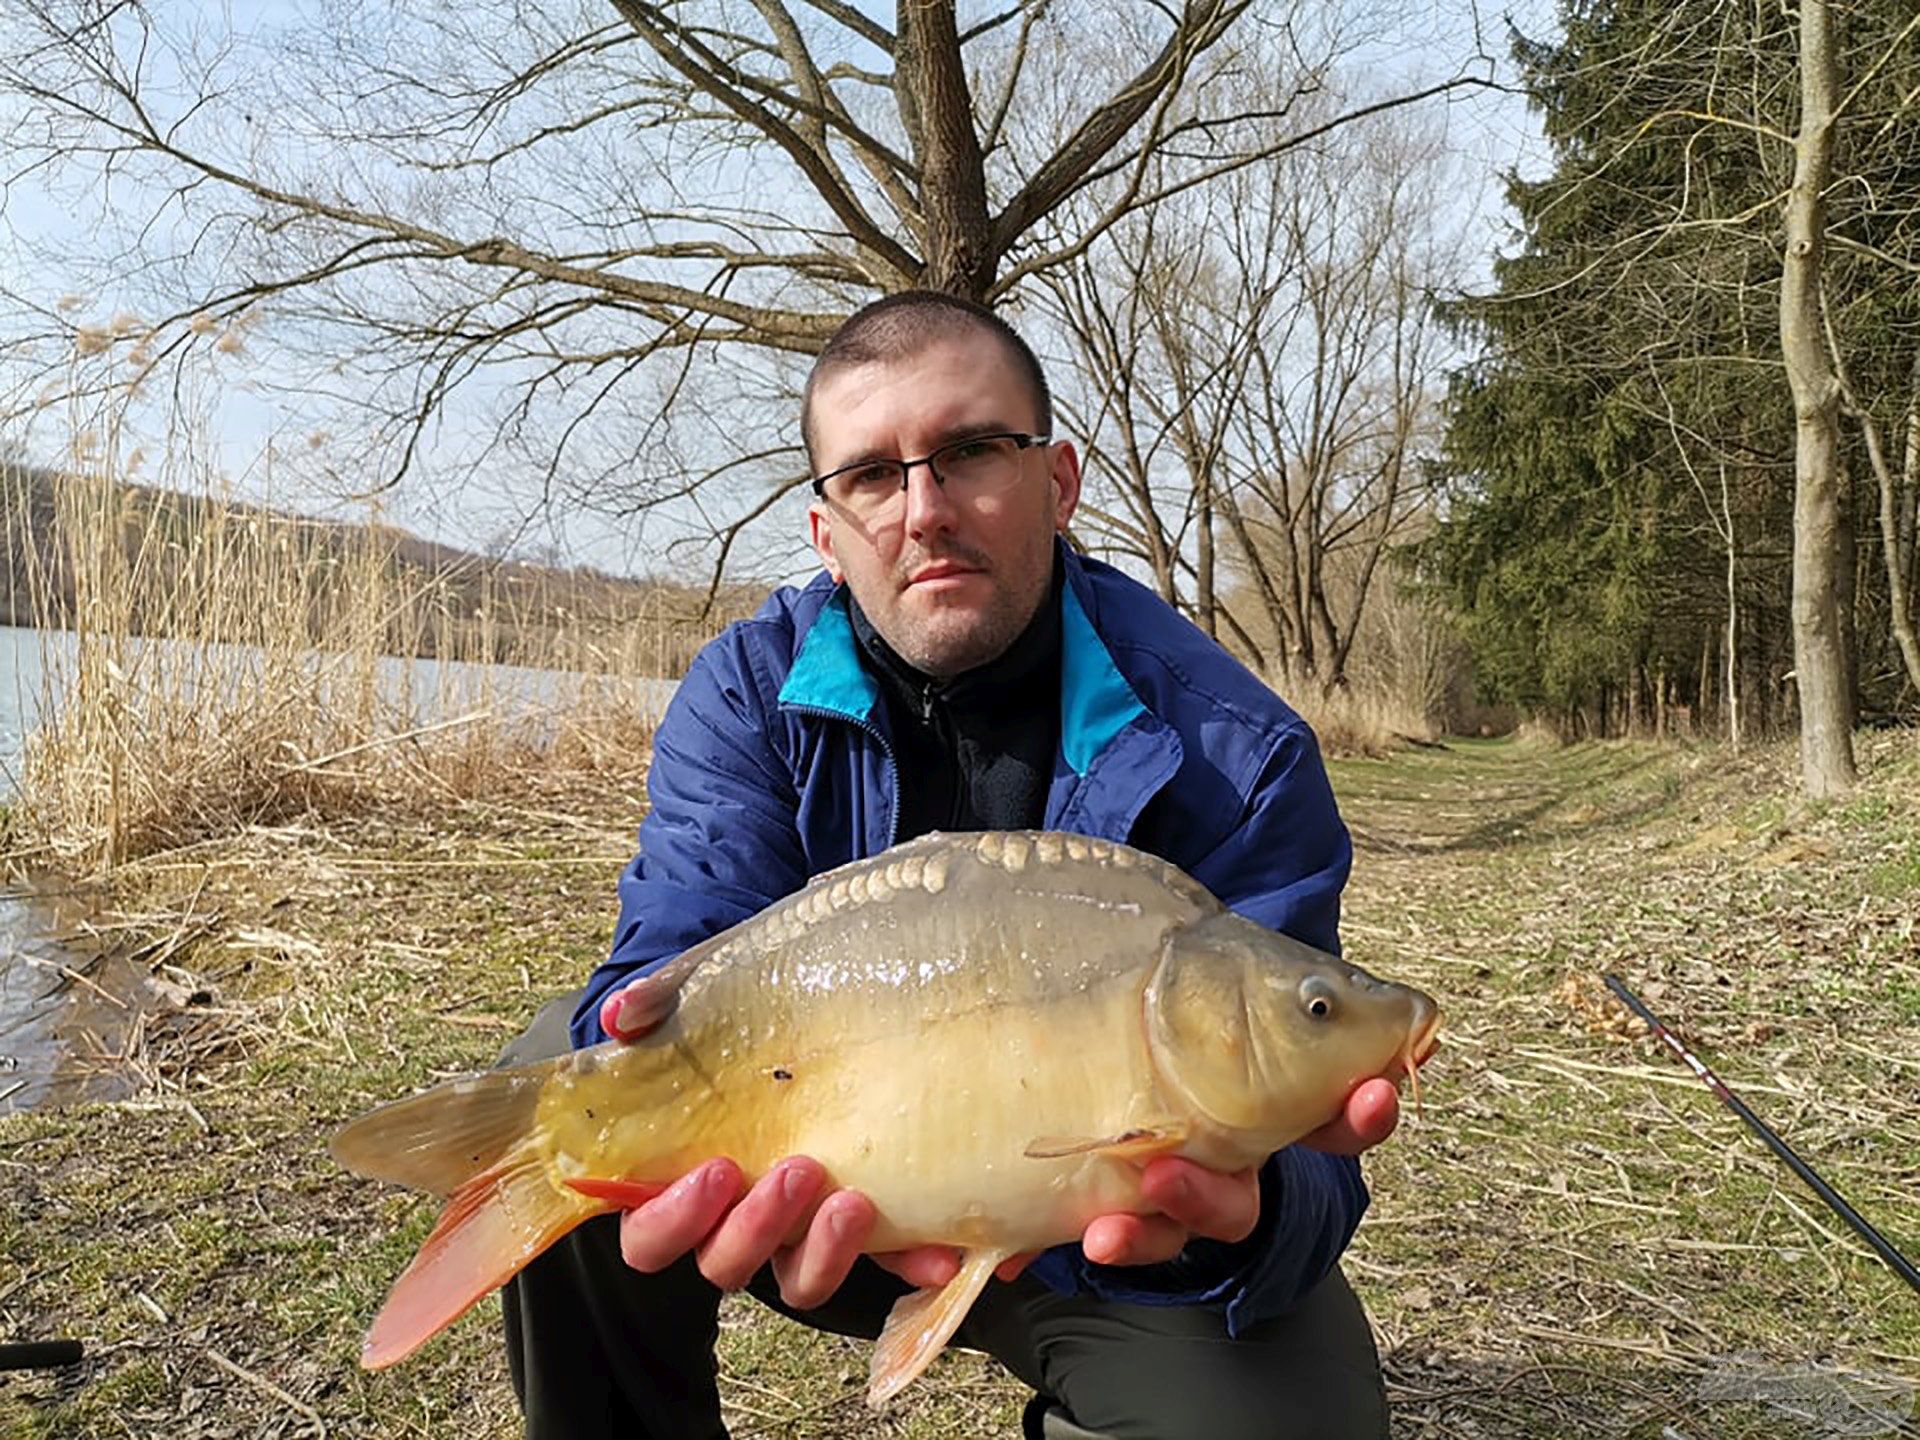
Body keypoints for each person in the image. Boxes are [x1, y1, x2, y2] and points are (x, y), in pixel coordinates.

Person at [498, 290, 1406, 1439]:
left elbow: (1314, 1151)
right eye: (873, 475)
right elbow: (663, 973)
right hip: (796, 1184)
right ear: (826, 533)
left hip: (1110, 1241)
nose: (924, 510)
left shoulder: (1239, 749)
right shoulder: (743, 693)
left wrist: (1250, 1205)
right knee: (572, 1080)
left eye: (972, 452)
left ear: (1059, 481)